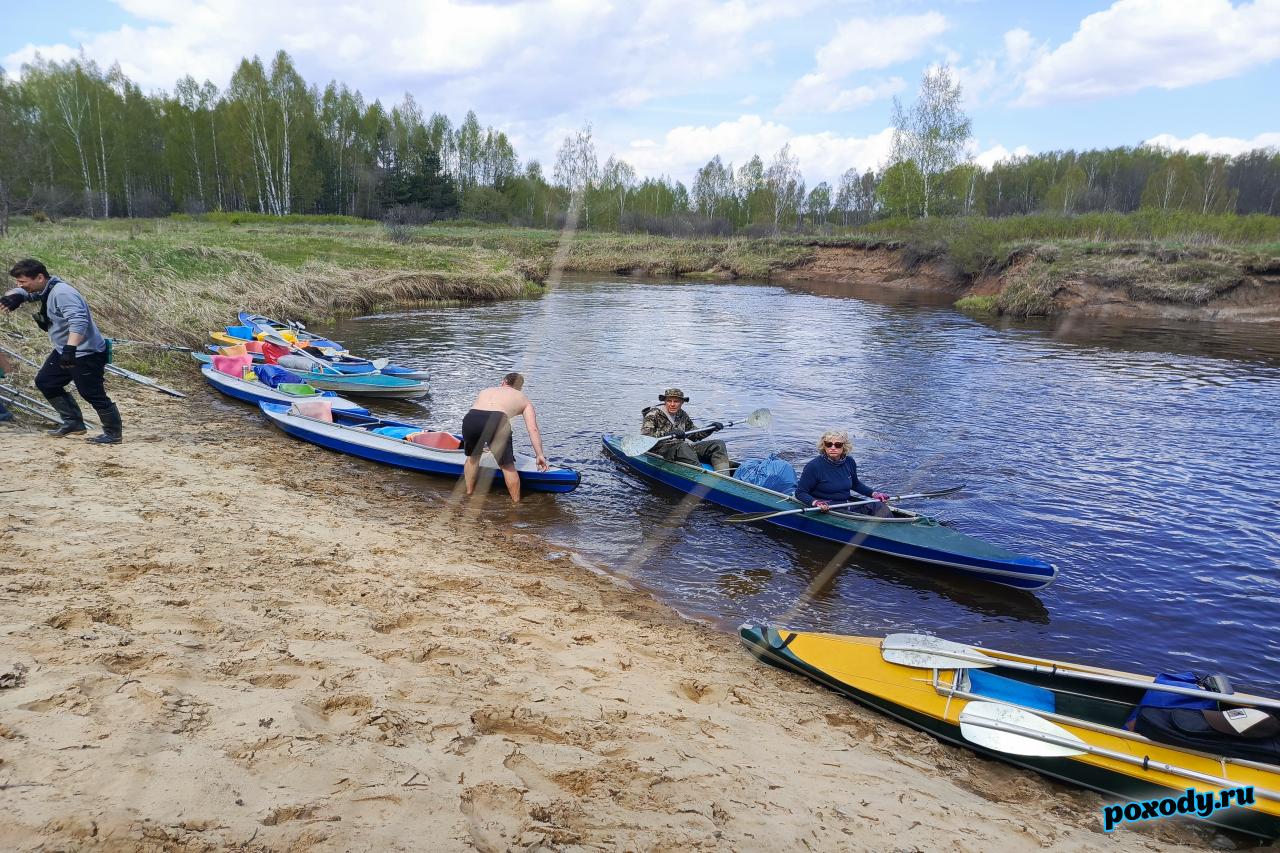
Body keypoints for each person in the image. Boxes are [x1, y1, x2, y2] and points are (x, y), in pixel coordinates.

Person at [1, 259, 122, 444]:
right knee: (46, 382)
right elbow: (25, 293)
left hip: (85, 351)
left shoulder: (63, 293)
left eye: (23, 282)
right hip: (64, 349)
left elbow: (78, 321)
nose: (20, 285)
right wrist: (14, 295)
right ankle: (73, 423)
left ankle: (113, 434)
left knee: (91, 393)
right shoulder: (47, 288)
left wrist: (70, 349)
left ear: (40, 277)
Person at [461, 372, 548, 503]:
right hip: (498, 420)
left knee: (472, 458)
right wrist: (539, 454)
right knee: (507, 466)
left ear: (503, 382)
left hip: (471, 418)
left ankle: (469, 493)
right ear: (519, 387)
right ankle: (516, 503)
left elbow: (482, 417)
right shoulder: (523, 398)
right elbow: (533, 429)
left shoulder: (486, 391)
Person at [795, 429, 892, 515]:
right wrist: (815, 502)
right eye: (828, 444)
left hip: (845, 503)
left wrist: (874, 494)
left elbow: (855, 484)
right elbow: (800, 492)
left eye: (838, 445)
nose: (833, 448)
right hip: (826, 506)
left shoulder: (849, 462)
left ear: (844, 447)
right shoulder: (813, 466)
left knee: (879, 506)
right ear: (824, 446)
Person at [640, 388, 731, 472]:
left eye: (676, 401)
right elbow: (646, 437)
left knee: (718, 444)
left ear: (682, 403)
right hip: (661, 451)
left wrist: (710, 428)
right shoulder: (653, 414)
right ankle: (701, 476)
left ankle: (723, 476)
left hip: (682, 449)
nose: (672, 404)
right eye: (669, 401)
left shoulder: (682, 415)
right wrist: (668, 434)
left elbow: (694, 435)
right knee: (682, 446)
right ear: (665, 401)